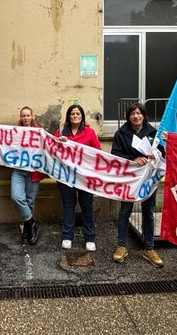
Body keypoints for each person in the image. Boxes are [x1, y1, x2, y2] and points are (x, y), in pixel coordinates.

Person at [111, 103, 164, 268]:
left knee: (148, 212)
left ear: (144, 115)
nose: (136, 116)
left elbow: (162, 151)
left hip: (148, 179)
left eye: (139, 113)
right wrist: (132, 159)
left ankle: (149, 248)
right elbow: (115, 154)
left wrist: (155, 153)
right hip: (129, 180)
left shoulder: (154, 133)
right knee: (124, 212)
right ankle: (122, 246)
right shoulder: (121, 133)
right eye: (133, 113)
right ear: (129, 116)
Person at [55, 104, 101, 251]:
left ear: (82, 116)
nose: (75, 116)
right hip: (65, 176)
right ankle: (67, 236)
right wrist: (59, 143)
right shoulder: (61, 131)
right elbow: (53, 152)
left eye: (78, 114)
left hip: (85, 177)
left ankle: (90, 238)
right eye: (72, 114)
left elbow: (98, 152)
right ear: (69, 116)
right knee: (68, 205)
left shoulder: (89, 132)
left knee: (87, 206)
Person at [11, 106, 44, 245]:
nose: (25, 118)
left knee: (30, 200)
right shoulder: (14, 132)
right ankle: (32, 223)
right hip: (18, 171)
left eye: (28, 115)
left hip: (34, 171)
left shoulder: (39, 132)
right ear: (21, 117)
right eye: (23, 116)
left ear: (32, 116)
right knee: (16, 196)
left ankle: (27, 230)